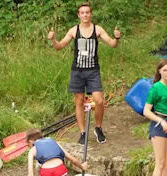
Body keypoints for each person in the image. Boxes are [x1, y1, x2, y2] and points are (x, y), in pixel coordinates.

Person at [47, 2, 121, 145]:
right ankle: (82, 133)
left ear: (91, 14)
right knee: (79, 101)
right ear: (79, 15)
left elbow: (112, 44)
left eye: (87, 12)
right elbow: (59, 46)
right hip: (78, 71)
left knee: (99, 100)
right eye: (82, 13)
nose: (85, 15)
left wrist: (117, 37)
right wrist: (53, 39)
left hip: (93, 71)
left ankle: (98, 128)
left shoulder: (97, 29)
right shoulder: (74, 30)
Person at [24, 129, 88, 176]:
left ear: (30, 141)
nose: (28, 146)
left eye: (28, 144)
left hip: (46, 173)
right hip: (59, 170)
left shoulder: (32, 150)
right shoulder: (54, 142)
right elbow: (72, 159)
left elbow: (30, 173)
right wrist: (82, 167)